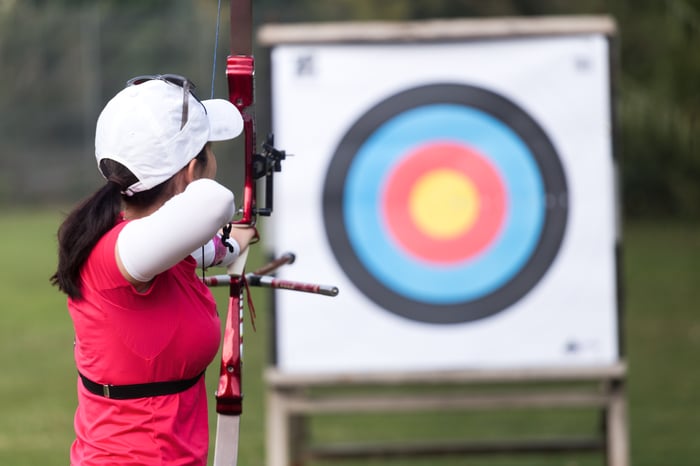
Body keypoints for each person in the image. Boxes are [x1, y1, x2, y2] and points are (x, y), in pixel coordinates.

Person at [51, 74, 257, 465]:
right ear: (191, 169)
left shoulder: (154, 249)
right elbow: (214, 203)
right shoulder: (121, 251)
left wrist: (230, 245)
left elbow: (196, 249)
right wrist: (210, 219)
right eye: (208, 152)